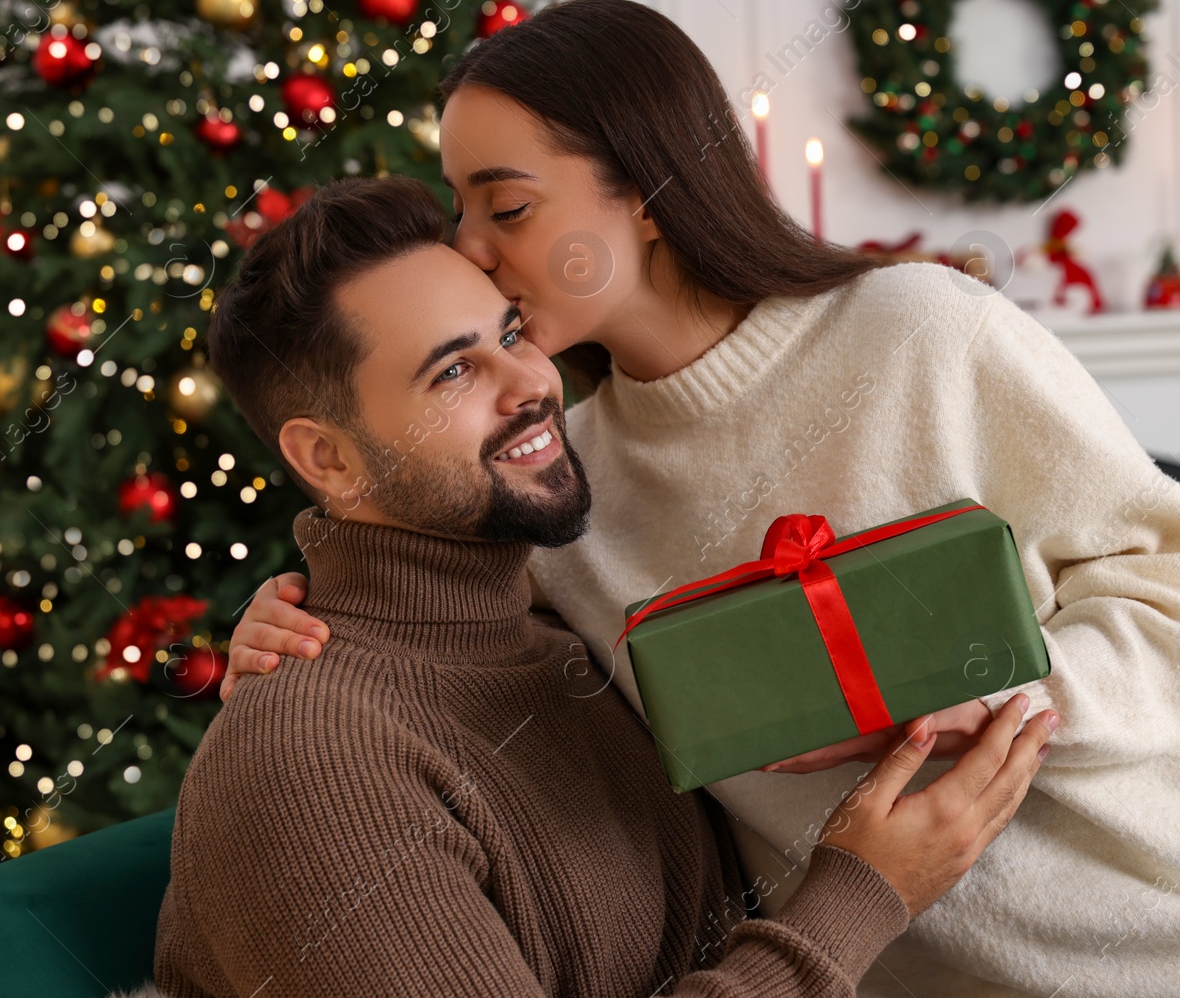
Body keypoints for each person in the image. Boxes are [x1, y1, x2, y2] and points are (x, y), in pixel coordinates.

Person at [224, 0, 1180, 998]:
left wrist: (985, 705)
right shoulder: (562, 499)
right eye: (462, 212)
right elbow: (432, 612)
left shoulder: (917, 331)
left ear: (643, 192)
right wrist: (283, 611)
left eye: (509, 206)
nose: (474, 249)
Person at [150, 176, 1056, 998]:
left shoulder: (568, 636)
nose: (532, 382)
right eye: (455, 370)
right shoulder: (310, 765)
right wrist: (861, 894)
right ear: (328, 458)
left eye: (509, 333)